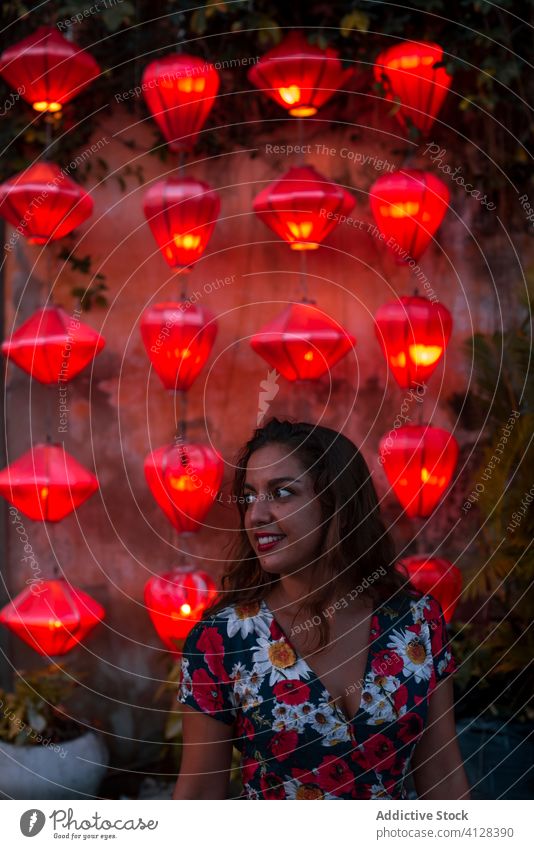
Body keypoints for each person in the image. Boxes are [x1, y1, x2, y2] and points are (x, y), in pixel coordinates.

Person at [172, 417, 470, 800]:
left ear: (337, 503)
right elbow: (198, 795)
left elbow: (444, 777)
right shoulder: (223, 639)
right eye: (249, 497)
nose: (257, 515)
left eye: (281, 493)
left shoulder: (417, 623)